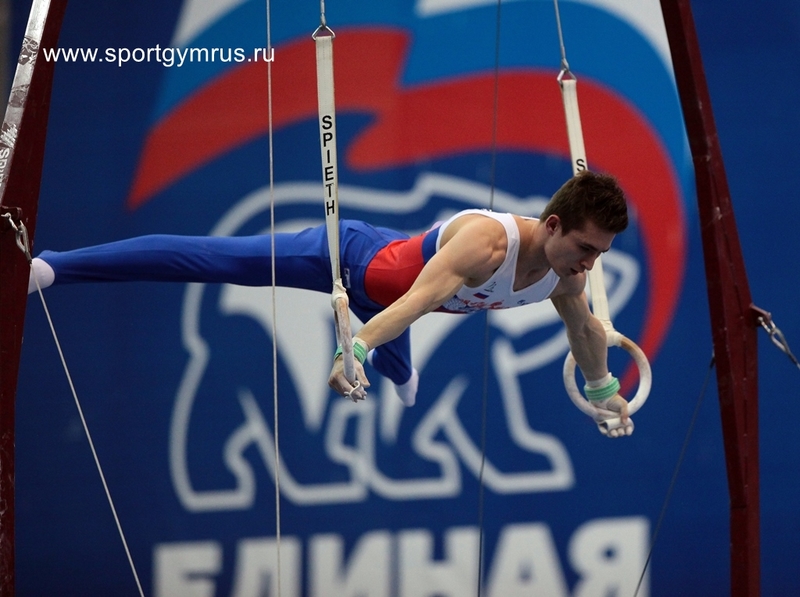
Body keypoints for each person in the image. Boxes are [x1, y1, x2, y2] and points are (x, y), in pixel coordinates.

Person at [28, 170, 634, 437]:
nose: (589, 264)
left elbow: (584, 333)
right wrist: (357, 347)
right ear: (552, 225)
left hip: (396, 304)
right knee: (213, 260)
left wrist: (603, 392)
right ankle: (56, 267)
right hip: (349, 261)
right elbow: (417, 301)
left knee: (402, 371)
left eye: (599, 254)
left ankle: (400, 368)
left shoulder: (565, 278)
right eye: (585, 248)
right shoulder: (488, 243)